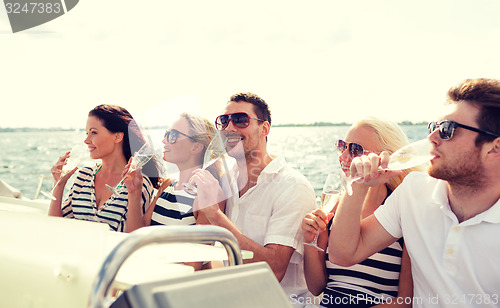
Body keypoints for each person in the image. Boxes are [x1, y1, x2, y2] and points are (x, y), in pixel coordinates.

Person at [329, 78, 500, 308]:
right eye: (434, 127)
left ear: (494, 147)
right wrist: (359, 184)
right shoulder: (414, 191)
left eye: (448, 130)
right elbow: (343, 254)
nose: (432, 138)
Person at [191, 93, 317, 307]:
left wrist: (215, 215)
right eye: (224, 121)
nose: (230, 128)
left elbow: (274, 269)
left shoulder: (292, 186)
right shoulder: (225, 181)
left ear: (264, 129)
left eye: (240, 120)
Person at [302, 117, 416, 307]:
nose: (344, 156)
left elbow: (406, 301)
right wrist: (309, 241)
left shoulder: (401, 212)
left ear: (385, 157)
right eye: (342, 146)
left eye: (355, 149)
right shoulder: (334, 208)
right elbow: (317, 287)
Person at [47, 104, 158, 232]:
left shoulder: (137, 183)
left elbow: (134, 237)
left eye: (93, 132)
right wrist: (59, 184)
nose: (86, 140)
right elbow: (56, 227)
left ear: (117, 136)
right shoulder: (84, 175)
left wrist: (134, 193)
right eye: (87, 133)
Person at [124, 112, 224, 231]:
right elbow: (137, 234)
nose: (163, 141)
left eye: (173, 135)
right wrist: (134, 193)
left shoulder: (208, 195)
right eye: (167, 134)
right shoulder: (167, 185)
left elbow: (200, 248)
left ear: (196, 147)